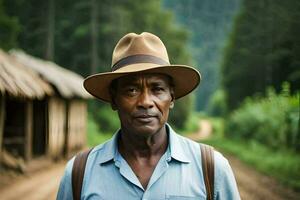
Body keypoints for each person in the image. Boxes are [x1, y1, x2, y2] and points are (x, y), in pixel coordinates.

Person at [57, 32, 240, 200]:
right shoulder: (79, 173)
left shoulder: (212, 169)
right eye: (131, 90)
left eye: (157, 89)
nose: (145, 101)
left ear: (172, 97)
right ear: (114, 99)